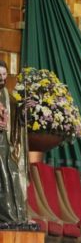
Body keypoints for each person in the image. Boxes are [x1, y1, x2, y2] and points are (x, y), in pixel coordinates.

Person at [0, 61, 27, 223]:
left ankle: (15, 216)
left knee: (12, 176)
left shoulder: (8, 97)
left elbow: (18, 120)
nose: (2, 78)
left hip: (5, 146)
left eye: (4, 75)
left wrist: (24, 110)